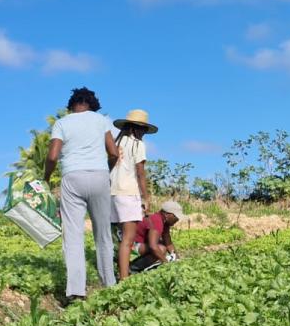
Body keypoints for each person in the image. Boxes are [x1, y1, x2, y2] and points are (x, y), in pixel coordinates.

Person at [43, 87, 119, 301]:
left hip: (72, 177)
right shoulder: (101, 121)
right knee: (103, 234)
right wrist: (105, 170)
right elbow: (114, 153)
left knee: (73, 236)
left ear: (72, 105)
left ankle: (76, 291)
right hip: (99, 176)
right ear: (92, 105)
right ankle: (109, 286)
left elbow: (52, 156)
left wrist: (47, 178)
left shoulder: (62, 123)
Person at [109, 109, 157, 280]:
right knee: (128, 240)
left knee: (120, 238)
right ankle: (124, 278)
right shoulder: (138, 145)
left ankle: (117, 272)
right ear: (137, 128)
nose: (144, 133)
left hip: (113, 193)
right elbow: (140, 173)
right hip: (129, 193)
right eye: (143, 130)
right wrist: (145, 197)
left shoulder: (117, 143)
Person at [129, 200, 185, 273]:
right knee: (161, 249)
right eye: (175, 216)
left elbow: (167, 242)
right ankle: (132, 268)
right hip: (132, 245)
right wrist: (167, 264)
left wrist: (177, 260)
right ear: (167, 214)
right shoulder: (156, 220)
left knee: (162, 245)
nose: (177, 219)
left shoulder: (165, 222)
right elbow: (153, 246)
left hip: (141, 244)